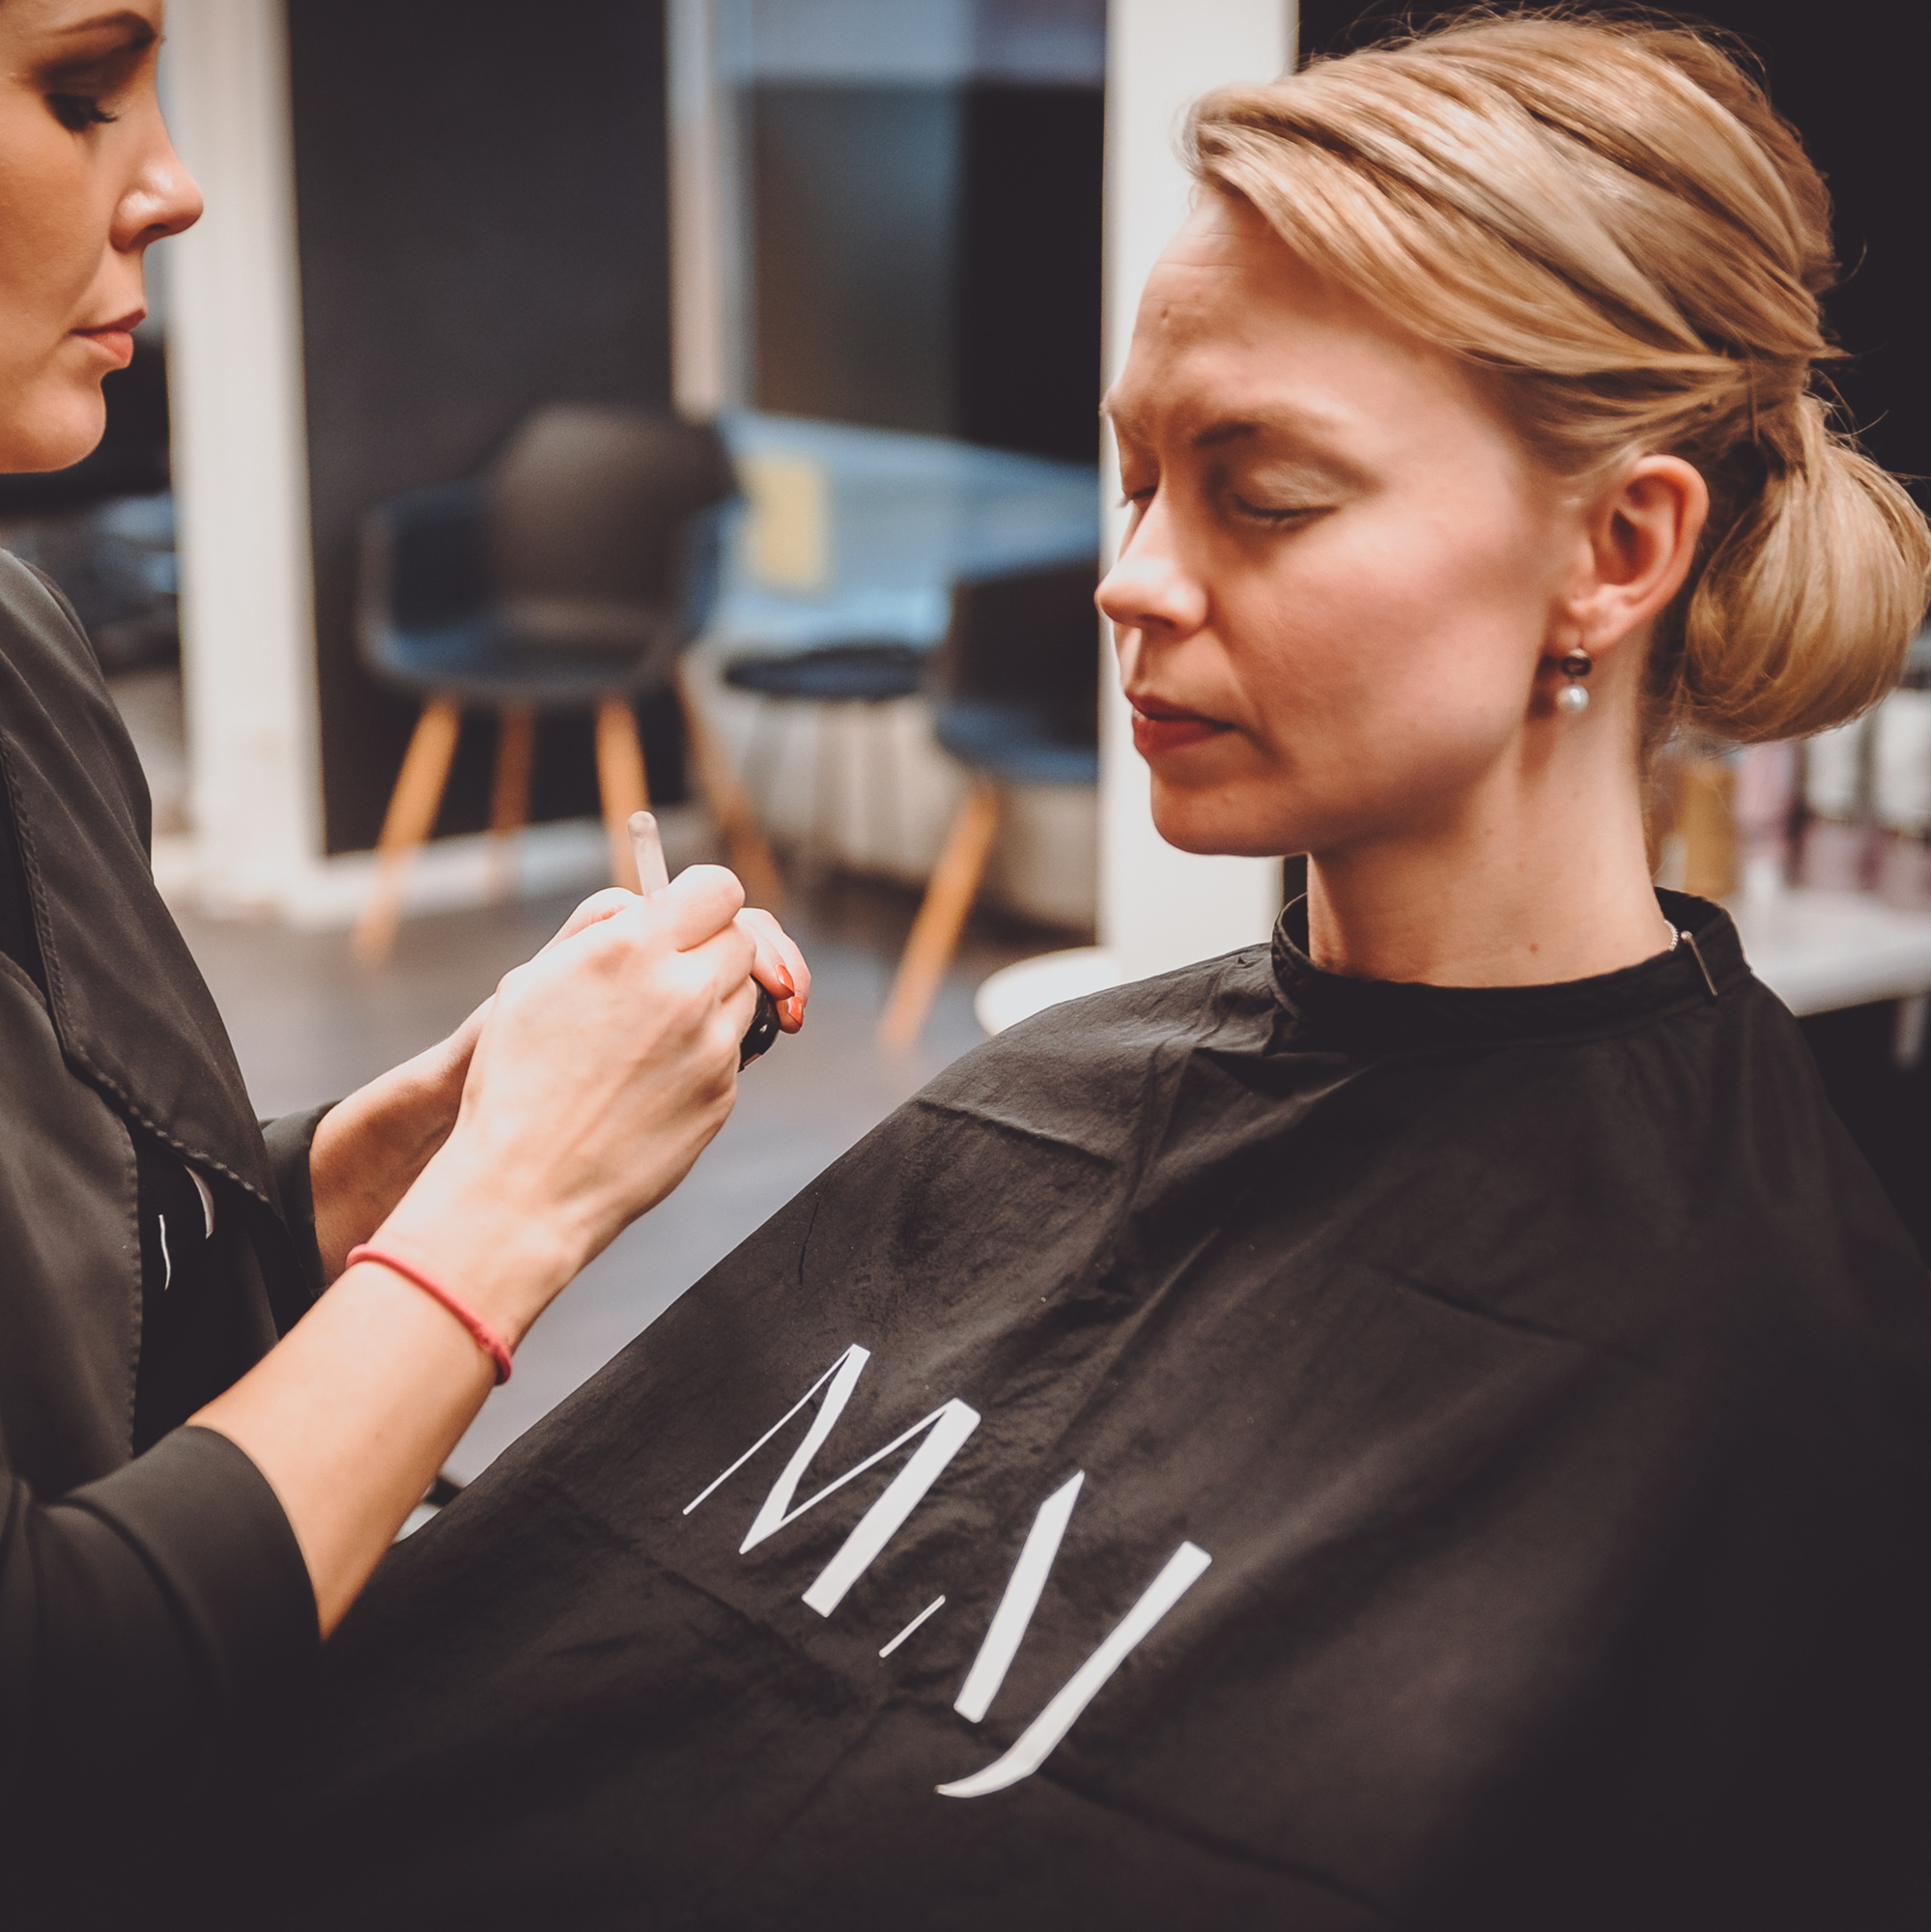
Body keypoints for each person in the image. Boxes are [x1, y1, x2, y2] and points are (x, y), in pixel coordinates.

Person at [250, 12, 1930, 1931]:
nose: (1130, 576)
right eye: (1138, 479)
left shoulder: (1783, 1372)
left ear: (1614, 550)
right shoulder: (1042, 1094)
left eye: (1264, 492)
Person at [0, 3, 809, 1921]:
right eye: (79, 91)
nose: (173, 187)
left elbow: (109, 1306)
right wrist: (516, 1202)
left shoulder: (22, 642)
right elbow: (42, 1710)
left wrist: (417, 1144)